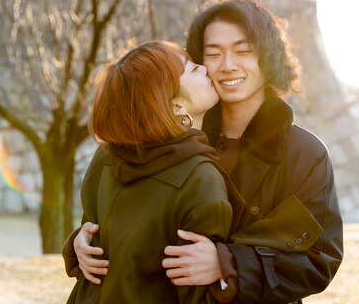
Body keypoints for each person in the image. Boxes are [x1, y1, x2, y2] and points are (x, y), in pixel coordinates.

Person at [65, 0, 344, 304]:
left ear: (267, 56)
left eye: (243, 51)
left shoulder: (304, 154)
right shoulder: (166, 137)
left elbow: (320, 260)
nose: (228, 65)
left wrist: (229, 264)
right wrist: (83, 241)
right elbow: (130, 215)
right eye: (213, 54)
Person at [63, 41, 233, 304]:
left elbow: (95, 233)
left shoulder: (107, 156)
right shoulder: (201, 180)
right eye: (190, 69)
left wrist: (76, 242)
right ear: (176, 106)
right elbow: (198, 293)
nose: (203, 67)